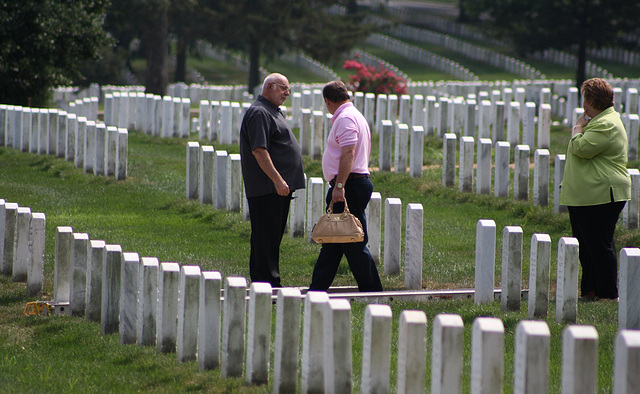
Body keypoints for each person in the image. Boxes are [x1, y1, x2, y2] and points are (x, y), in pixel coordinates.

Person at [559, 78, 631, 301]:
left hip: (601, 194)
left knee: (599, 247)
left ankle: (608, 294)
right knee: (587, 248)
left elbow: (581, 148)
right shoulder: (601, 120)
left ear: (591, 100)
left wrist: (578, 127)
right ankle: (590, 291)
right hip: (587, 194)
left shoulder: (605, 123)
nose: (583, 106)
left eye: (585, 100)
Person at [309, 80, 383, 292]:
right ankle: (317, 288)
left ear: (328, 101)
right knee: (333, 242)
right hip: (350, 183)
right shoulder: (353, 115)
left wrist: (339, 186)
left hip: (349, 184)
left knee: (353, 242)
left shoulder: (345, 118)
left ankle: (373, 290)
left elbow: (348, 152)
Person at [240, 73, 305, 287]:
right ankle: (267, 286)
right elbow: (259, 150)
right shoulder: (259, 113)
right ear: (270, 86)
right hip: (268, 189)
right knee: (266, 239)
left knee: (270, 238)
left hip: (275, 190)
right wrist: (278, 180)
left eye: (289, 89)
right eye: (283, 88)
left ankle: (266, 284)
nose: (287, 93)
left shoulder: (271, 111)